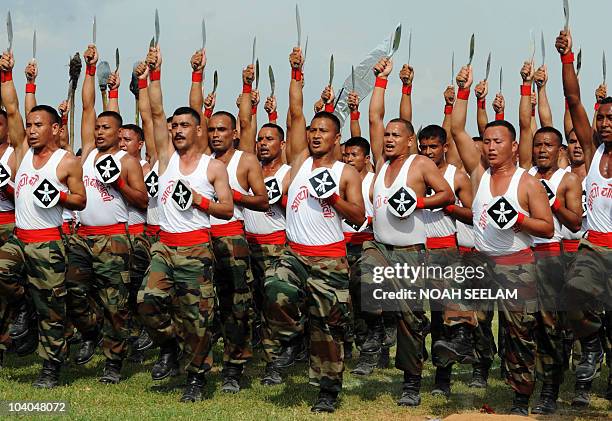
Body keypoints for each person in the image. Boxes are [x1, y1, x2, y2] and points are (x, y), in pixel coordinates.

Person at [443, 63, 554, 415]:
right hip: (482, 258)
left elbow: (547, 227)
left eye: (497, 142)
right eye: (487, 141)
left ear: (513, 145)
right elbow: (458, 129)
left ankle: (521, 397)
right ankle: (459, 340)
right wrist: (463, 88)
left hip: (518, 266)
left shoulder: (527, 182)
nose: (490, 147)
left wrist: (518, 218)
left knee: (518, 335)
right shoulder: (478, 174)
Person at [261, 45, 365, 413]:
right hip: (294, 253)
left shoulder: (345, 173)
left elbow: (358, 217)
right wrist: (296, 74)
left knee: (328, 328)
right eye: (313, 130)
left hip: (330, 260)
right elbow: (295, 111)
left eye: (324, 131)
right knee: (274, 287)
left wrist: (334, 198)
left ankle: (328, 389)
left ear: (337, 138)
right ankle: (291, 338)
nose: (316, 134)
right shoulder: (299, 162)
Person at [0, 50, 86, 387]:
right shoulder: (22, 152)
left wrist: (58, 195)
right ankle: (23, 306)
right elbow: (11, 108)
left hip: (49, 243)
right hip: (19, 239)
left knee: (52, 310)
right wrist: (6, 74)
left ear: (55, 128)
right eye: (30, 125)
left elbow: (80, 200)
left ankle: (51, 367)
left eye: (39, 126)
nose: (32, 130)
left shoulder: (66, 162)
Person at [65, 43, 148, 384]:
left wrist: (119, 185)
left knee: (116, 303)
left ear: (119, 134)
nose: (98, 132)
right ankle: (89, 333)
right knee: (71, 290)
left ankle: (114, 361)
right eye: (97, 128)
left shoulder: (127, 161)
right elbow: (86, 107)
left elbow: (142, 200)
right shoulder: (85, 157)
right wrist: (90, 68)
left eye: (105, 129)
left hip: (114, 240)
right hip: (81, 239)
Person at [517, 60, 583, 414]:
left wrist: (551, 200)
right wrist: (527, 85)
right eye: (537, 145)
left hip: (552, 258)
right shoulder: (525, 174)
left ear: (559, 151)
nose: (540, 149)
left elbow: (574, 223)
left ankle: (549, 390)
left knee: (549, 325)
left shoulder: (567, 179)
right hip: (522, 257)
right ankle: (522, 385)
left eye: (548, 145)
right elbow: (525, 123)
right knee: (521, 325)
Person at [556, 29, 612, 406]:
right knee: (572, 294)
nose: (606, 122)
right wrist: (566, 57)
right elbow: (573, 97)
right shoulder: (592, 151)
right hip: (593, 246)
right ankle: (590, 346)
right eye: (603, 117)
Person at [418, 124, 474, 398]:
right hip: (416, 251)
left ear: (445, 147)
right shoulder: (413, 172)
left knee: (445, 316)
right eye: (424, 147)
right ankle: (413, 372)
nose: (428, 152)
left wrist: (447, 205)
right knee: (416, 316)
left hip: (446, 251)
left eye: (433, 147)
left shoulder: (457, 176)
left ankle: (443, 378)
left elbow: (475, 215)